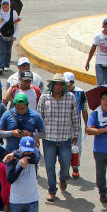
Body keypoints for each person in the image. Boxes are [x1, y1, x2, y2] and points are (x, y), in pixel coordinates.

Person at [37, 73, 80, 202]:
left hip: (65, 138)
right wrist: (37, 137)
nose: (58, 86)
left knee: (66, 163)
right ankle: (52, 190)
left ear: (64, 86)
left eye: (61, 84)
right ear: (52, 85)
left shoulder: (70, 98)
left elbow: (75, 117)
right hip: (49, 138)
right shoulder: (44, 98)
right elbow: (39, 118)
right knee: (50, 166)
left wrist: (76, 134)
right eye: (56, 84)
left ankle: (62, 177)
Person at [85, 18, 107, 85]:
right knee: (100, 82)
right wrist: (88, 61)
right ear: (103, 26)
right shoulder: (98, 36)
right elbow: (92, 49)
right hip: (100, 63)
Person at [0, 0, 20, 73]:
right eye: (4, 4)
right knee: (2, 50)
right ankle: (0, 66)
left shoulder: (13, 13)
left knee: (8, 50)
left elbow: (17, 24)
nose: (5, 6)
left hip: (10, 34)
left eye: (7, 4)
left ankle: (6, 65)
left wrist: (15, 35)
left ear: (9, 5)